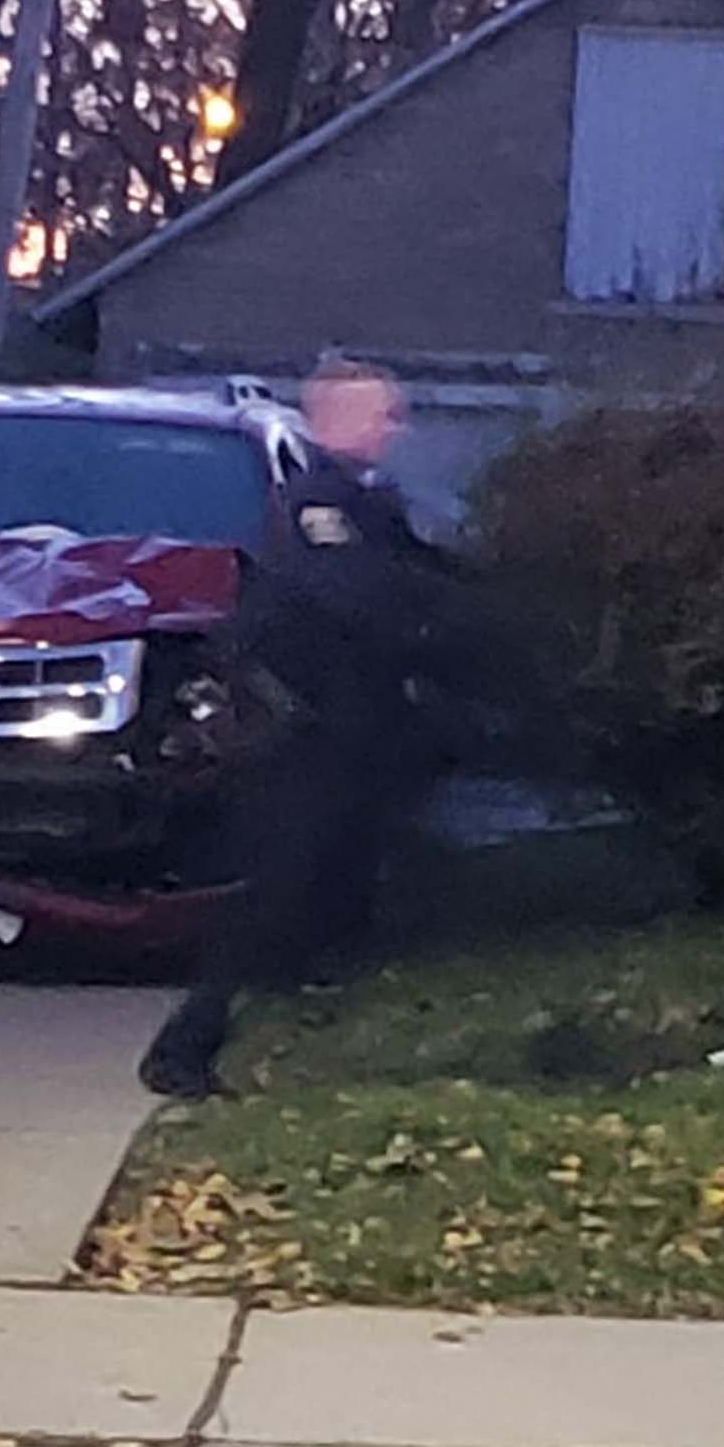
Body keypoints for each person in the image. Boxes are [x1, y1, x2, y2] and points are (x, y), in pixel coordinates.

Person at [139, 358, 468, 1099]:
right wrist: (435, 618)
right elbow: (363, 595)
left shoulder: (367, 504)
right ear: (338, 421)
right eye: (384, 413)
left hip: (349, 733)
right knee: (278, 890)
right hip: (299, 734)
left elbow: (423, 575)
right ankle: (185, 1046)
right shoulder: (315, 507)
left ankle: (305, 1037)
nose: (396, 427)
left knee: (333, 888)